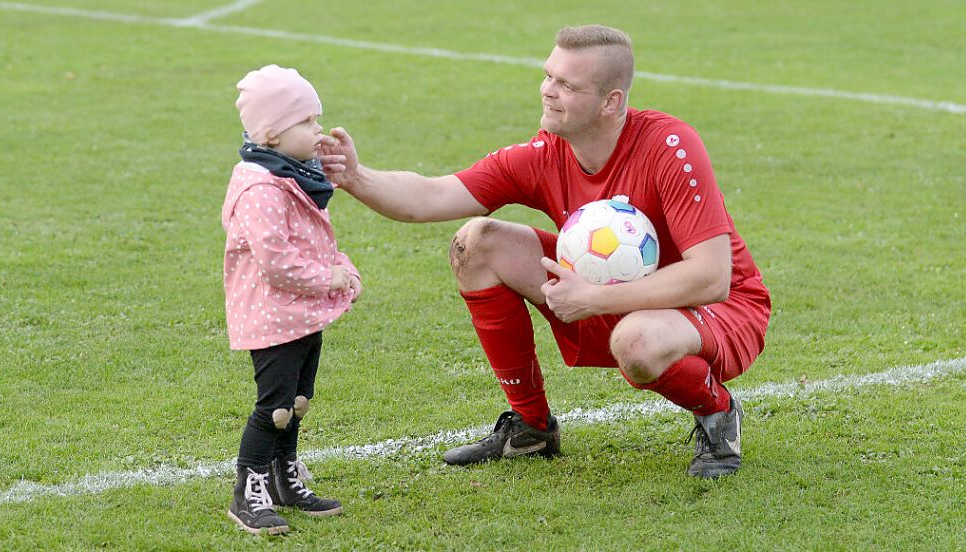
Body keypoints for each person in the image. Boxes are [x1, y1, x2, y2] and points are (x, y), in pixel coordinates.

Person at [318, 25, 770, 478]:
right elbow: (432, 196)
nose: (548, 91)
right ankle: (531, 428)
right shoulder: (546, 153)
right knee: (475, 244)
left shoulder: (669, 146)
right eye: (548, 76)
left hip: (720, 307)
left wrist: (594, 300)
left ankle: (717, 412)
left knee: (637, 341)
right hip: (610, 293)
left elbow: (712, 277)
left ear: (611, 102)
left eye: (567, 85)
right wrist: (356, 177)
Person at [222, 64, 362, 535]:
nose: (318, 128)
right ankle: (249, 490)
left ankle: (285, 477)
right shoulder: (261, 187)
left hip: (298, 311)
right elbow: (277, 262)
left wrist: (344, 272)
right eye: (307, 122)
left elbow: (314, 239)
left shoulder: (291, 173)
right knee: (274, 406)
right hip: (272, 315)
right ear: (273, 134)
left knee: (298, 401)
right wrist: (332, 278)